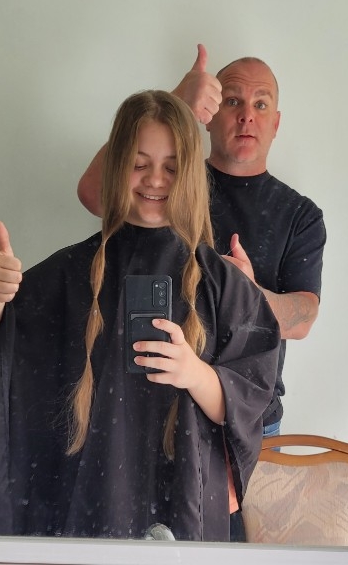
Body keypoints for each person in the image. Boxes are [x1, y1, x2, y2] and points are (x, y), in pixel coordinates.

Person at [0, 90, 280, 541]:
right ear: (117, 165)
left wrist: (194, 373)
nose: (155, 180)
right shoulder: (66, 275)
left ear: (190, 175)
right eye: (140, 164)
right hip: (80, 500)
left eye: (171, 167)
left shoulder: (222, 285)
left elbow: (250, 402)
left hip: (183, 501)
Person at [78, 46, 327, 441]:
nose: (247, 115)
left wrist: (249, 294)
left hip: (248, 420)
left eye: (261, 104)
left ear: (276, 123)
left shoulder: (300, 214)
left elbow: (304, 320)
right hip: (152, 409)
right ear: (208, 115)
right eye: (233, 101)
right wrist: (177, 104)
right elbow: (94, 194)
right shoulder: (167, 183)